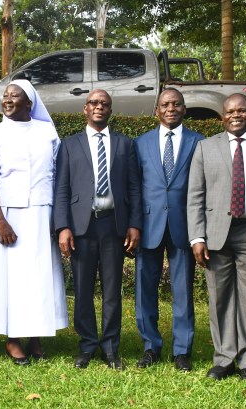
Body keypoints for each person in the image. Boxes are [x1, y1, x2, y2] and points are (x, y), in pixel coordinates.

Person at [0, 79, 68, 366]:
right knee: (12, 279)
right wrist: (0, 221)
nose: (7, 100)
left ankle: (36, 336)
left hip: (41, 212)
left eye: (14, 96)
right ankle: (13, 339)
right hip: (7, 215)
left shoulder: (47, 132)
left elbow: (57, 175)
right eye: (5, 96)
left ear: (29, 103)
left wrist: (58, 219)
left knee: (39, 277)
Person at [54, 89, 141, 371]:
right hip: (82, 225)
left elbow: (134, 189)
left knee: (113, 290)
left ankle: (110, 348)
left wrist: (134, 224)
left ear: (110, 110)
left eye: (104, 103)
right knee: (82, 289)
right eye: (94, 102)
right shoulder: (69, 145)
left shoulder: (126, 145)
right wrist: (63, 227)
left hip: (113, 224)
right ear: (85, 108)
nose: (99, 107)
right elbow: (62, 189)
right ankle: (88, 345)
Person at [187, 94, 246, 382]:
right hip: (215, 234)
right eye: (230, 111)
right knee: (219, 298)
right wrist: (197, 237)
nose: (236, 115)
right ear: (222, 116)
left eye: (242, 110)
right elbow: (195, 196)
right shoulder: (205, 147)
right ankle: (223, 358)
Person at [133, 88, 203, 371]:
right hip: (148, 226)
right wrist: (133, 225)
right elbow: (134, 188)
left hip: (183, 225)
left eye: (176, 104)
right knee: (144, 289)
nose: (171, 108)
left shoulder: (199, 142)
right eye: (165, 104)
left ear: (184, 109)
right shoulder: (141, 143)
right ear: (157, 111)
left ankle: (182, 350)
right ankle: (150, 346)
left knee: (183, 291)